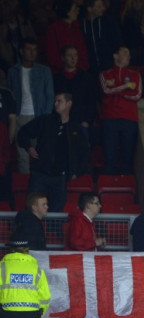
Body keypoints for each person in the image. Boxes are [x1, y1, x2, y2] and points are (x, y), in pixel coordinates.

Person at [16, 93, 92, 213]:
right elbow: (22, 133)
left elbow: (85, 154)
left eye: (59, 101)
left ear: (69, 104)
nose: (55, 104)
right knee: (32, 209)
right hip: (40, 173)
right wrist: (29, 147)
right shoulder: (45, 120)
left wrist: (76, 172)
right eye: (55, 101)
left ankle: (52, 233)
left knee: (56, 213)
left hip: (60, 177)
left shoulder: (75, 128)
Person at [7, 38, 54, 174]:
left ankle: (38, 187)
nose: (32, 53)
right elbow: (10, 95)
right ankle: (25, 186)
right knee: (22, 153)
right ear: (21, 51)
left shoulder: (44, 71)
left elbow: (49, 96)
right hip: (19, 116)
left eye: (34, 50)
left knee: (39, 151)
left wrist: (45, 117)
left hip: (38, 115)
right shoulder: (13, 71)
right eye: (28, 49)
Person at [100, 46, 142, 175]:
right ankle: (107, 186)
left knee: (127, 156)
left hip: (129, 119)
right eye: (125, 53)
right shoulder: (105, 74)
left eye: (129, 54)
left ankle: (126, 185)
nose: (128, 57)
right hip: (110, 118)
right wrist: (126, 86)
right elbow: (106, 90)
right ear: (115, 56)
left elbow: (137, 95)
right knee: (109, 155)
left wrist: (118, 91)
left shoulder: (135, 74)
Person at [53, 45, 99, 137]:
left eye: (76, 55)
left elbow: (92, 101)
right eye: (69, 55)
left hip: (81, 122)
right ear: (63, 58)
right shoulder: (56, 78)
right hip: (61, 122)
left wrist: (87, 121)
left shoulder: (86, 78)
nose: (73, 58)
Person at [45, 0, 90, 74]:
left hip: (79, 73)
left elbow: (83, 51)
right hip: (60, 74)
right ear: (67, 12)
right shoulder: (53, 29)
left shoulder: (77, 28)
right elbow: (52, 55)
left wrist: (81, 68)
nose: (77, 12)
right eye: (74, 10)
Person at [81, 0, 122, 73]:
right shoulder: (81, 23)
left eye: (102, 6)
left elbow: (117, 42)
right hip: (90, 69)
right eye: (99, 6)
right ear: (89, 9)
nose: (103, 8)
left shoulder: (109, 21)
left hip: (109, 66)